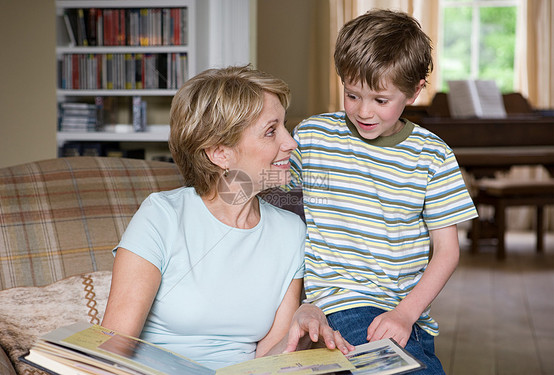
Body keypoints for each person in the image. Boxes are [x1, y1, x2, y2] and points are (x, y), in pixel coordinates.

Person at [101, 66, 352, 370]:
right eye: (271, 131)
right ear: (220, 153)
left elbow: (268, 359)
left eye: (285, 127)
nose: (291, 143)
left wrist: (300, 331)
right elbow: (115, 344)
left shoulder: (291, 231)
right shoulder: (161, 216)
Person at [287, 9, 478, 374]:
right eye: (352, 95)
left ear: (415, 90)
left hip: (404, 313)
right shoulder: (314, 136)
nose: (363, 111)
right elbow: (271, 192)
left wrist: (406, 313)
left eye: (380, 99)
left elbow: (447, 252)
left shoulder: (432, 155)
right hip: (337, 304)